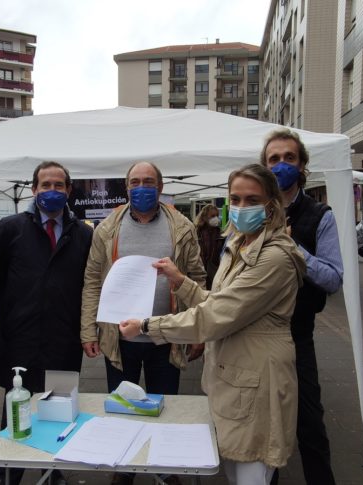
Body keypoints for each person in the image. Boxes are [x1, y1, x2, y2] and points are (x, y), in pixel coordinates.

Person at [119, 164, 306, 485]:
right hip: (236, 379)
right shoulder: (240, 244)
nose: (241, 207)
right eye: (235, 199)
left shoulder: (273, 257)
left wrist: (148, 327)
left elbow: (216, 316)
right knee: (235, 470)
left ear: (272, 204)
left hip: (258, 382)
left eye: (252, 200)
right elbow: (218, 301)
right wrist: (181, 283)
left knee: (252, 474)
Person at [81, 161, 206, 485]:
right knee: (122, 409)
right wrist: (87, 330)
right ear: (127, 188)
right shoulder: (108, 228)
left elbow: (197, 277)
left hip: (166, 338)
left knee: (165, 407)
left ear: (160, 187)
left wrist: (198, 332)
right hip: (120, 341)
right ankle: (124, 468)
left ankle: (165, 467)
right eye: (135, 182)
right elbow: (93, 281)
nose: (141, 188)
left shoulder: (182, 227)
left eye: (148, 181)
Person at [0, 161, 93, 485]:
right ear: (34, 190)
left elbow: (89, 284)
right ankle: (11, 471)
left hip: (63, 339)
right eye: (45, 185)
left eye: (58, 185)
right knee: (16, 408)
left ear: (69, 191)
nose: (52, 191)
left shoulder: (83, 234)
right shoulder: (10, 228)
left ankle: (52, 470)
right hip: (19, 338)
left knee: (58, 410)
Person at [261, 128, 343, 485]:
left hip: (297, 334)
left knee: (309, 422)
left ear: (302, 165)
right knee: (264, 424)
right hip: (257, 334)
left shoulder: (320, 215)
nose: (281, 165)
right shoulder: (251, 209)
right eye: (274, 159)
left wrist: (294, 250)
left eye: (289, 158)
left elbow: (333, 278)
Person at [195, 203, 225, 289]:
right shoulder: (197, 232)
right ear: (204, 217)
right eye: (212, 216)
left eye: (217, 215)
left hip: (215, 271)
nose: (216, 218)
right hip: (199, 272)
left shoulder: (220, 234)